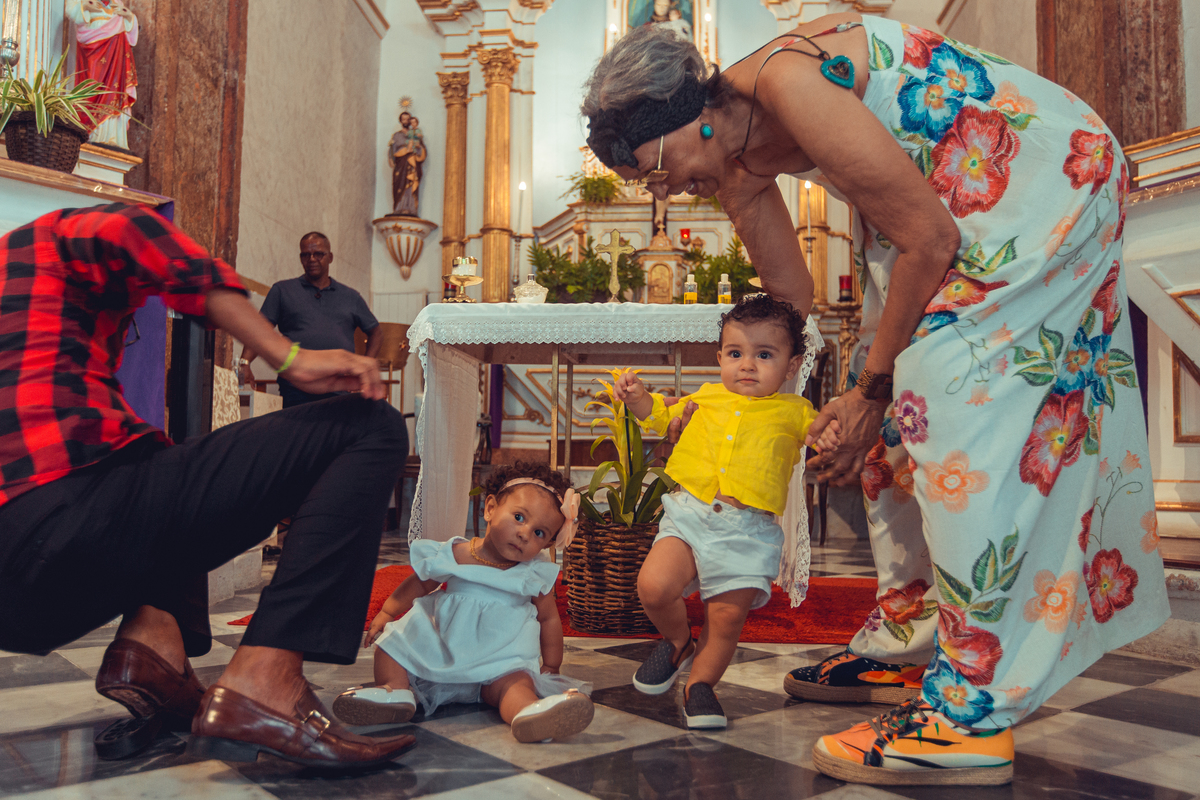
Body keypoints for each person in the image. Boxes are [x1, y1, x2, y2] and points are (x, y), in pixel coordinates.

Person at [582, 12, 1167, 787]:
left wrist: (868, 392)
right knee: (888, 433)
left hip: (1039, 185)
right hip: (948, 209)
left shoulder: (790, 84)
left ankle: (969, 714)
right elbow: (789, 310)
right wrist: (805, 416)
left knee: (944, 407)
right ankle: (907, 643)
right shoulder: (731, 162)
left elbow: (929, 239)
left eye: (658, 169)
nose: (665, 192)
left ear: (692, 118)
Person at [0, 203, 415, 768]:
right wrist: (288, 356)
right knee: (371, 427)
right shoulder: (57, 234)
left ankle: (152, 648)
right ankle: (265, 680)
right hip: (65, 513)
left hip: (19, 603)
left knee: (157, 461)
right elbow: (155, 245)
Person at [613, 295, 839, 729]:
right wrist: (639, 398)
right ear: (720, 357)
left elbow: (816, 432)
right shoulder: (706, 397)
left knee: (727, 616)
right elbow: (660, 419)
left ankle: (700, 686)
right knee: (654, 586)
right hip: (689, 511)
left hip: (747, 530)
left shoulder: (794, 411)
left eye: (764, 355)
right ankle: (678, 641)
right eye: (735, 354)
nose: (747, 365)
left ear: (792, 366)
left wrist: (827, 436)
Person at [331, 462, 596, 743]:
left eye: (540, 533)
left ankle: (528, 711)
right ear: (491, 508)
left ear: (546, 545)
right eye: (519, 517)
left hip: (499, 659)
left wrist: (552, 665)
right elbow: (421, 582)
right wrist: (388, 612)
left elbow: (549, 619)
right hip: (441, 646)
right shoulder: (456, 553)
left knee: (516, 682)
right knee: (393, 646)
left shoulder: (532, 572)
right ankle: (394, 691)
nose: (525, 534)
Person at [239, 232, 381, 407]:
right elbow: (259, 329)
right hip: (295, 389)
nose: (312, 259)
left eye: (318, 254)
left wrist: (366, 364)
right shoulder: (282, 290)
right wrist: (245, 363)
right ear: (300, 258)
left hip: (338, 391)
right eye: (306, 255)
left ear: (330, 257)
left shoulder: (351, 297)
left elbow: (376, 332)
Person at [65, 0, 138, 149]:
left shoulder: (116, 2)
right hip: (93, 51)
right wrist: (84, 6)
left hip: (116, 53)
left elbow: (128, 26)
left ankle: (112, 135)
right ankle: (93, 132)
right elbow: (71, 10)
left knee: (114, 90)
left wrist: (130, 17)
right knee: (92, 87)